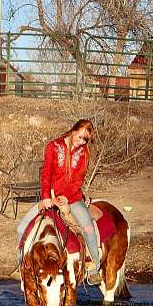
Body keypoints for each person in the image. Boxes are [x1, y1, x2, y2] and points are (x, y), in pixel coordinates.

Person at [17, 119, 102, 285]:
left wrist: (66, 200)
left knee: (88, 227)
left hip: (72, 198)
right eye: (80, 137)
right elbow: (46, 172)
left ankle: (94, 269)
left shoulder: (84, 153)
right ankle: (21, 264)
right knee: (21, 227)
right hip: (50, 196)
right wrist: (47, 196)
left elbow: (77, 181)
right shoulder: (53, 146)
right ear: (74, 131)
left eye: (86, 139)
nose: (82, 142)